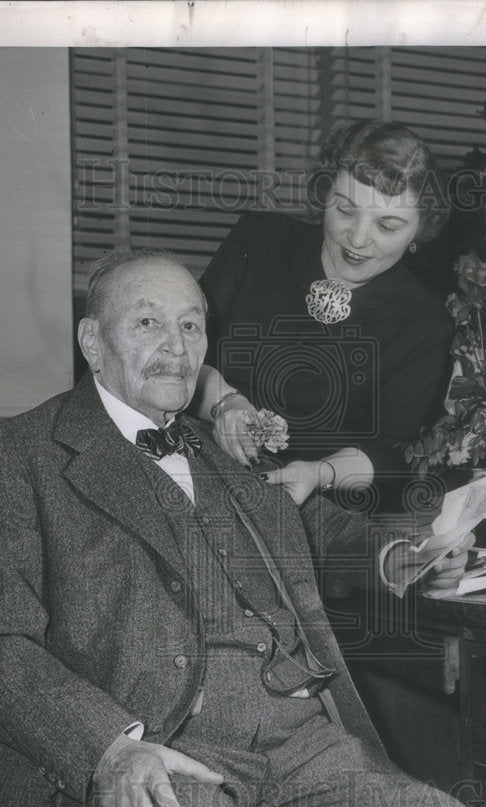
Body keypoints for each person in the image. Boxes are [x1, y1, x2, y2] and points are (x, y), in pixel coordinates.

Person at [0, 249, 486, 807]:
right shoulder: (10, 459)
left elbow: (312, 525)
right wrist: (109, 749)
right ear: (92, 343)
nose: (176, 347)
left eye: (192, 327)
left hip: (295, 741)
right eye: (148, 323)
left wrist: (402, 552)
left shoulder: (225, 453)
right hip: (148, 745)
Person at [192, 119, 454, 512]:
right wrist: (223, 402)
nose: (358, 238)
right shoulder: (259, 240)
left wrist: (319, 473)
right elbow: (178, 351)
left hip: (312, 508)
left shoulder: (425, 323)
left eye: (388, 225)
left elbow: (391, 455)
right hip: (190, 468)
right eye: (345, 209)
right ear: (326, 191)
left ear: (419, 230)